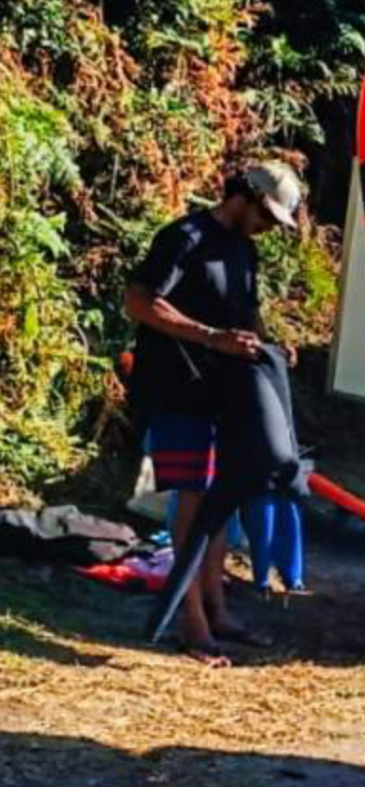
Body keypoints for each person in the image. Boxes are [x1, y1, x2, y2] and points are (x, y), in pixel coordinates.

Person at [129, 162, 307, 665]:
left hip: (223, 392)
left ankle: (217, 607)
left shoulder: (246, 252)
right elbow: (140, 302)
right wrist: (210, 338)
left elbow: (246, 319)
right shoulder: (185, 236)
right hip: (175, 388)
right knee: (191, 502)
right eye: (268, 217)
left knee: (220, 500)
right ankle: (191, 622)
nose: (269, 229)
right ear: (244, 196)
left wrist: (272, 348)